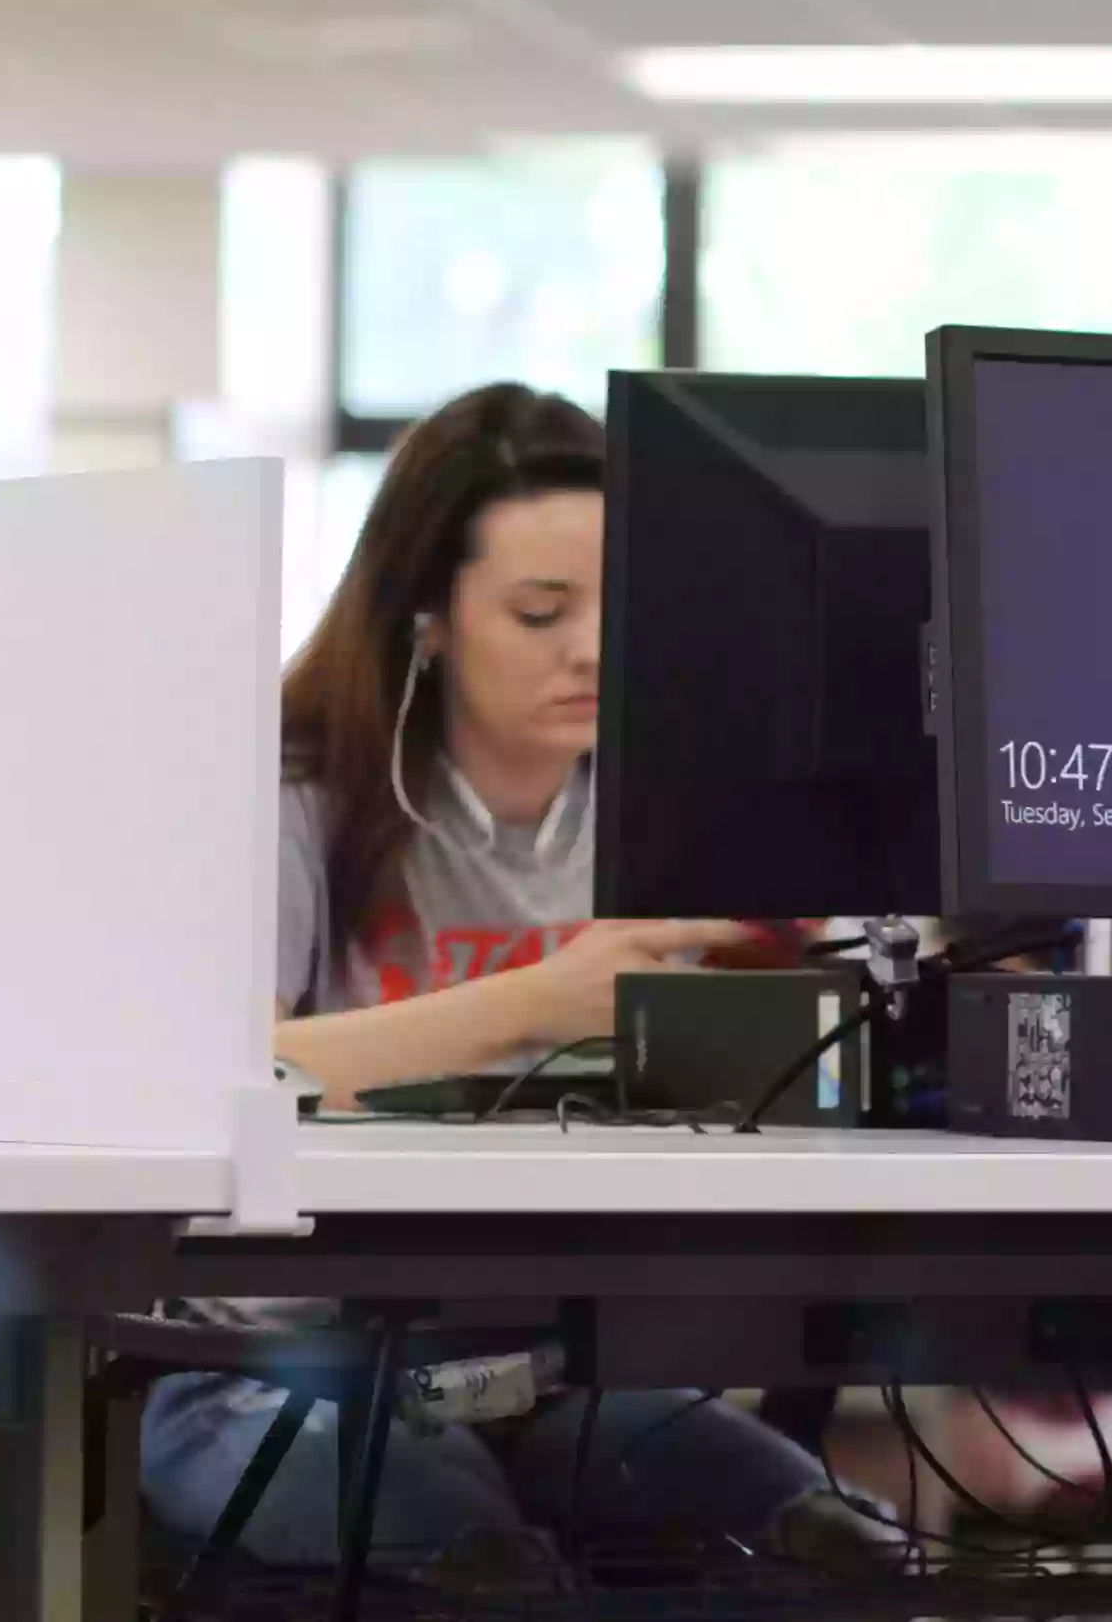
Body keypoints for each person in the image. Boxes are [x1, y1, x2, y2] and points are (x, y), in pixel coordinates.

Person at [140, 382, 869, 1573]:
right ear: (427, 616)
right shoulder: (287, 795)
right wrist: (534, 1002)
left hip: (535, 1366)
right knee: (485, 1560)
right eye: (540, 612)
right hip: (259, 1368)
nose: (590, 649)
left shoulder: (664, 807)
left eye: (615, 606)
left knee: (828, 1544)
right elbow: (217, 1069)